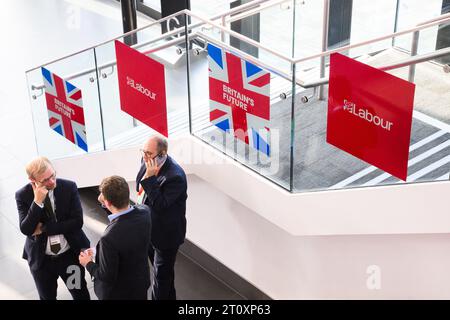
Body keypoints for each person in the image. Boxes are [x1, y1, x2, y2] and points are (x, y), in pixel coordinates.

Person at [15, 156, 90, 300]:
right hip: (42, 262)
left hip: (69, 257)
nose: (52, 181)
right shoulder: (23, 195)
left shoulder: (68, 187)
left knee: (79, 294)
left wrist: (44, 229)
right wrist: (37, 201)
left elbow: (77, 222)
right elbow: (26, 229)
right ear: (33, 180)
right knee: (47, 297)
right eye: (45, 180)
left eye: (52, 175)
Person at [79, 175, 151, 300]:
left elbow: (106, 276)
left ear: (106, 202)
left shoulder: (109, 238)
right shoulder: (145, 212)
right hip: (140, 284)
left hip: (120, 294)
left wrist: (88, 263)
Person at [136, 135, 187, 300]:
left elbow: (161, 205)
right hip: (149, 230)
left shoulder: (175, 177)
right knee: (165, 277)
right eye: (143, 152)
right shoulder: (148, 160)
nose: (144, 157)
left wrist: (151, 179)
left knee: (160, 278)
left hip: (166, 236)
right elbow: (139, 184)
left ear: (162, 154)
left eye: (148, 154)